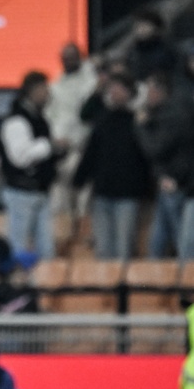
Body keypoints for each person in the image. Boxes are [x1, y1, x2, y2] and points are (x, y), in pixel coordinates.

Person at [73, 71, 152, 260]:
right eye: (112, 88)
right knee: (103, 248)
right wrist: (79, 179)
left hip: (128, 193)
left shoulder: (138, 122)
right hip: (102, 191)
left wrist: (147, 189)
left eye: (120, 88)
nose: (115, 92)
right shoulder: (102, 119)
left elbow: (147, 156)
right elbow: (91, 151)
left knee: (123, 247)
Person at [0, 71, 67, 264]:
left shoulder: (40, 118)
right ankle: (16, 282)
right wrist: (50, 146)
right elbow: (20, 157)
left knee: (46, 250)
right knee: (18, 247)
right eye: (44, 89)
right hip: (21, 191)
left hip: (41, 191)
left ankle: (43, 282)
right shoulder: (17, 120)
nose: (48, 94)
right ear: (32, 90)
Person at [44, 43, 97, 252]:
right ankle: (63, 242)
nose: (68, 61)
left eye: (72, 57)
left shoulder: (90, 82)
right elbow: (51, 117)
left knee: (84, 197)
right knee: (60, 197)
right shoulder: (56, 86)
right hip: (61, 150)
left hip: (83, 149)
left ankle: (84, 243)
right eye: (64, 57)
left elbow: (87, 118)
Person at [134, 71, 193, 257]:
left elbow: (155, 149)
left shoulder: (174, 115)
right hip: (166, 182)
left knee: (183, 244)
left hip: (177, 184)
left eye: (150, 90)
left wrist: (141, 126)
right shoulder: (163, 114)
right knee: (156, 244)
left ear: (161, 91)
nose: (147, 96)